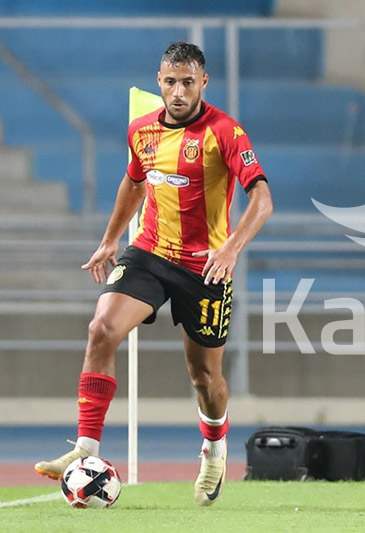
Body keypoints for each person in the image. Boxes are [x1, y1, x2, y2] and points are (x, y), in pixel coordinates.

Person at [34, 42, 273, 506]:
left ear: (204, 82)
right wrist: (110, 239)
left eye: (188, 82)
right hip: (149, 253)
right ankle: (86, 449)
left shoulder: (226, 132)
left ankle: (214, 449)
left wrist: (231, 248)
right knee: (101, 329)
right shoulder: (142, 130)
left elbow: (262, 199)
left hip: (205, 266)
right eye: (170, 81)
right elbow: (134, 180)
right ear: (159, 80)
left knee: (204, 378)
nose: (178, 91)